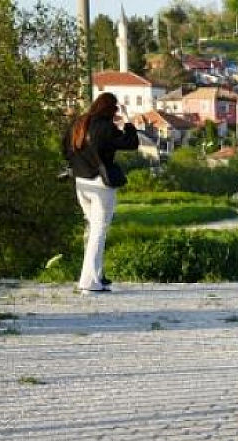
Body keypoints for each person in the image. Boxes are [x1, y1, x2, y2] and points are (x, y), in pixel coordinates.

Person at [62, 92, 138, 294]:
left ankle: (97, 276)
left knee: (92, 230)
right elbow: (132, 143)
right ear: (110, 109)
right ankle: (89, 282)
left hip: (81, 184)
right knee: (99, 232)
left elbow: (65, 150)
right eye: (115, 109)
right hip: (100, 186)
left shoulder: (78, 124)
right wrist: (127, 118)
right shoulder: (105, 127)